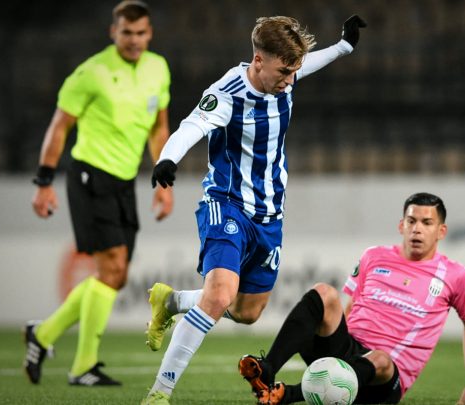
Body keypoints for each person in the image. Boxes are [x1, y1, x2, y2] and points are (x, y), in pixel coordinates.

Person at [141, 15, 367, 404]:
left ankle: (173, 301)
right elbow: (193, 124)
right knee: (219, 295)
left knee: (247, 312)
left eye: (293, 71)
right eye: (283, 71)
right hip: (226, 204)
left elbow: (305, 64)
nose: (289, 80)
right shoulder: (227, 93)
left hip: (269, 215)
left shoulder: (287, 75)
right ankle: (160, 393)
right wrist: (168, 158)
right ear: (258, 60)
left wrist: (343, 47)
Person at [22, 0, 172, 386]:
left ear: (150, 33)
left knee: (116, 276)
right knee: (113, 269)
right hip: (90, 176)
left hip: (124, 182)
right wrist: (43, 182)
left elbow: (159, 128)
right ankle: (83, 366)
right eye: (127, 33)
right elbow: (59, 127)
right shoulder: (91, 72)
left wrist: (163, 181)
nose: (135, 40)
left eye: (141, 33)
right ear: (113, 32)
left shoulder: (159, 68)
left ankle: (43, 335)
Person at [237, 193, 465, 405]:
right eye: (412, 221)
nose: (417, 228)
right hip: (349, 350)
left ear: (441, 231)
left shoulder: (456, 276)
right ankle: (267, 370)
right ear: (401, 226)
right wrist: (332, 345)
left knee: (380, 358)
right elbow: (351, 306)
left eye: (427, 223)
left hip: (385, 376)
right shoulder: (373, 256)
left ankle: (288, 394)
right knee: (324, 292)